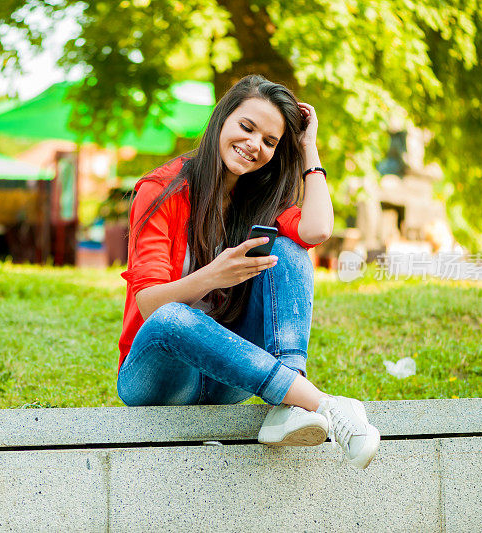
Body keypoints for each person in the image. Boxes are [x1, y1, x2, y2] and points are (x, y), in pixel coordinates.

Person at [117, 74, 381, 470]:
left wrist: (309, 148)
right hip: (161, 377)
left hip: (228, 376)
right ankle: (321, 403)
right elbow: (150, 305)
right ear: (223, 118)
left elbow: (317, 230)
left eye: (270, 141)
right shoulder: (162, 190)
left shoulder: (258, 201)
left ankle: (291, 401)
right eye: (247, 127)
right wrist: (213, 275)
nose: (254, 144)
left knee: (289, 250)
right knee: (173, 317)